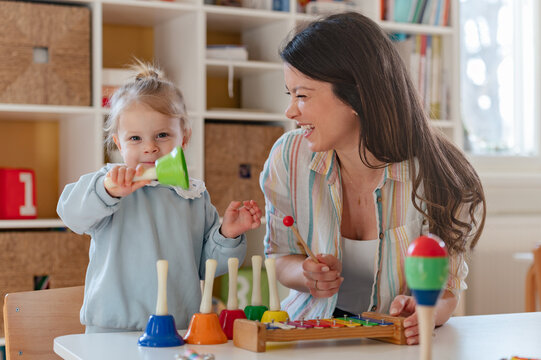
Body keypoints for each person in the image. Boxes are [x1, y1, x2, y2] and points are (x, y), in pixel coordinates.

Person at [260, 12, 486, 345]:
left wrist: (422, 310)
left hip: (395, 345)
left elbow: (447, 289)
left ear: (356, 95)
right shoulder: (288, 157)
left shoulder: (439, 176)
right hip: (310, 340)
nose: (290, 111)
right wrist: (306, 274)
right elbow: (279, 256)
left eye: (303, 95)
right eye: (289, 95)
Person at [57, 61, 262, 333]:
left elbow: (207, 267)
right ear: (118, 143)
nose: (150, 148)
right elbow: (71, 215)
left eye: (162, 135)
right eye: (135, 139)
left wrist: (228, 234)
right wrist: (106, 190)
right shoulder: (109, 184)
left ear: (184, 138)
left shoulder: (193, 194)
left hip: (179, 328)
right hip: (114, 328)